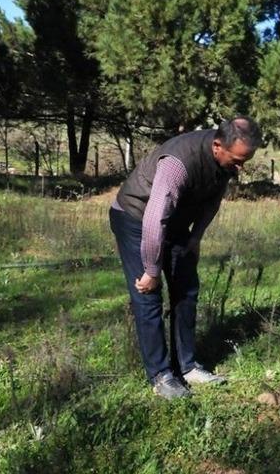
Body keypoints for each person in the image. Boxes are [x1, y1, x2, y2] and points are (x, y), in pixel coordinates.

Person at [109, 116, 262, 399]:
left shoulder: (225, 160)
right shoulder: (178, 163)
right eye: (238, 160)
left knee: (187, 290)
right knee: (148, 294)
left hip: (175, 222)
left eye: (246, 160)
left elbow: (212, 202)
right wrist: (152, 270)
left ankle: (188, 365)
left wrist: (195, 238)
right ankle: (161, 375)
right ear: (217, 146)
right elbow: (155, 220)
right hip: (136, 217)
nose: (241, 167)